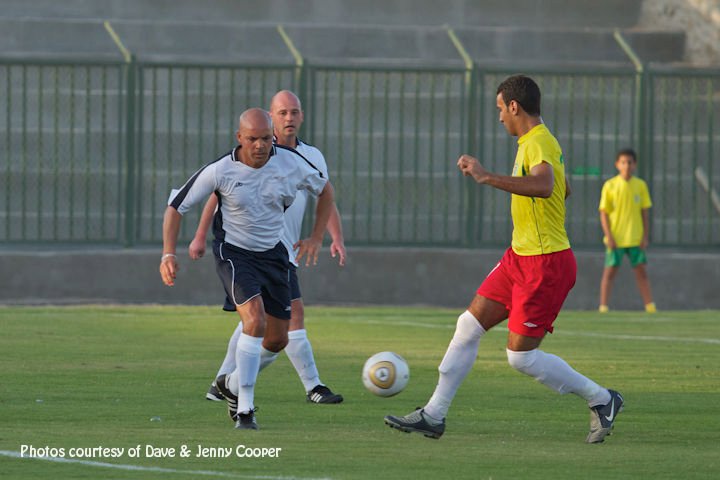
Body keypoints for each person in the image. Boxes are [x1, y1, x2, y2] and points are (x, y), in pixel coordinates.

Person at [384, 75, 623, 443]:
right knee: (467, 326)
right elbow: (563, 188)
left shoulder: (539, 140)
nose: (499, 118)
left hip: (545, 264)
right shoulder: (535, 141)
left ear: (514, 106)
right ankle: (433, 415)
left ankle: (602, 398)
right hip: (520, 257)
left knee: (521, 359)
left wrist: (486, 177)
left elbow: (545, 186)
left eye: (500, 110)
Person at [159, 108, 335, 430]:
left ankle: (231, 383)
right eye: (252, 138)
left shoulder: (291, 163)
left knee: (278, 339)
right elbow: (176, 207)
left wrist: (316, 236)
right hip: (235, 253)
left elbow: (325, 190)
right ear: (239, 137)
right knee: (254, 320)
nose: (260, 145)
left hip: (274, 254)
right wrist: (167, 254)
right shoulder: (221, 170)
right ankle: (245, 409)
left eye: (266, 138)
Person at [189, 90, 346, 405]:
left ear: (302, 116)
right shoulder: (255, 150)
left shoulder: (311, 156)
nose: (289, 118)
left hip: (284, 251)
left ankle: (223, 384)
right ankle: (312, 386)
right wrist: (199, 234)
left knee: (256, 321)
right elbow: (217, 193)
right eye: (283, 112)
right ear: (271, 117)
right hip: (255, 249)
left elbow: (324, 196)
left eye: (295, 112)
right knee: (285, 318)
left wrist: (332, 237)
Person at [598, 148, 656, 313]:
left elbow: (644, 213)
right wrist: (609, 236)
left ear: (635, 165)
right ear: (617, 164)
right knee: (609, 273)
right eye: (623, 162)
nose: (627, 165)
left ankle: (650, 306)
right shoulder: (610, 186)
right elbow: (604, 213)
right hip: (616, 238)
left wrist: (645, 236)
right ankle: (603, 307)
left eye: (630, 162)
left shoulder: (640, 185)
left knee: (641, 273)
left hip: (635, 238)